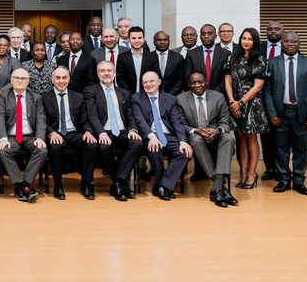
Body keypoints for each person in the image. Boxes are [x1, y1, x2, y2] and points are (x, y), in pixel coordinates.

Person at [265, 32, 307, 196]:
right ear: (281, 43)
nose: (290, 43)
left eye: (293, 41)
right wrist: (272, 113)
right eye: (286, 41)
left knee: (301, 148)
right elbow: (267, 91)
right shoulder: (271, 63)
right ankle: (283, 179)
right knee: (280, 148)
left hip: (302, 113)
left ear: (299, 43)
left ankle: (298, 180)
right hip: (280, 113)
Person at [83, 60, 144, 202]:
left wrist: (133, 130)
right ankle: (121, 184)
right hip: (104, 131)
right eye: (103, 71)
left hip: (123, 132)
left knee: (137, 144)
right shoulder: (91, 91)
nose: (106, 73)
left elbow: (130, 115)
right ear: (98, 74)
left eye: (109, 70)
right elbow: (92, 115)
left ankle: (118, 182)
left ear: (114, 73)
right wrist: (101, 133)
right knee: (104, 147)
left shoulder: (124, 92)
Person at [176, 72, 239, 207]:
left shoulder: (218, 97)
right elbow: (181, 125)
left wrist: (217, 131)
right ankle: (221, 188)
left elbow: (225, 123)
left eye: (200, 82)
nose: (197, 85)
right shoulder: (181, 99)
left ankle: (216, 188)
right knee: (196, 140)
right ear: (189, 84)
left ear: (206, 82)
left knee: (228, 138)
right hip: (196, 136)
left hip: (215, 135)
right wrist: (196, 131)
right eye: (194, 83)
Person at [130, 71, 193, 201]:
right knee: (154, 149)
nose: (148, 84)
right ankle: (164, 186)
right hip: (149, 136)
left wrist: (182, 140)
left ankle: (161, 185)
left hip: (168, 135)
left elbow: (177, 121)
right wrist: (151, 136)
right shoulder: (136, 99)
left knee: (185, 152)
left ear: (159, 82)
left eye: (151, 81)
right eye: (145, 82)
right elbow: (140, 121)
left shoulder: (170, 99)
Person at [41, 66, 98, 200]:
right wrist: (52, 133)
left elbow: (84, 120)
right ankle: (58, 186)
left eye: (64, 77)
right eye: (58, 78)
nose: (61, 81)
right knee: (55, 146)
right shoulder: (44, 97)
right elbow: (42, 121)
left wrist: (88, 131)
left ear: (69, 79)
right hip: (56, 133)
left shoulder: (78, 97)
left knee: (92, 144)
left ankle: (86, 184)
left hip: (74, 133)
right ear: (52, 80)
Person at [224, 27, 269, 189]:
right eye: (244, 38)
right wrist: (231, 102)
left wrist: (240, 103)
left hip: (252, 105)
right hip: (234, 104)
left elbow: (258, 87)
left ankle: (251, 174)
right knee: (239, 138)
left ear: (255, 41)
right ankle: (243, 174)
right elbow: (228, 82)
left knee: (251, 138)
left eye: (250, 39)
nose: (246, 42)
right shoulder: (232, 59)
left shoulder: (260, 60)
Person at [0, 68, 47, 202]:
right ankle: (23, 185)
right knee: (2, 151)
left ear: (28, 82)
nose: (19, 80)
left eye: (23, 78)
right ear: (11, 80)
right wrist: (3, 138)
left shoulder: (36, 97)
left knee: (42, 150)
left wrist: (40, 137)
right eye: (16, 78)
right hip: (11, 137)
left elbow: (41, 119)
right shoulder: (4, 96)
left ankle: (22, 185)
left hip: (30, 136)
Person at [259, 20, 286, 182]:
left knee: (282, 136)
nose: (273, 31)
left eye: (277, 29)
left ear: (283, 31)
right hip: (262, 97)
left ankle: (282, 168)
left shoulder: (289, 46)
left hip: (284, 97)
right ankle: (270, 168)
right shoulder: (259, 48)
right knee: (266, 136)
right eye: (270, 29)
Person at [183, 24, 230, 96]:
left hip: (218, 95)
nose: (206, 36)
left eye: (209, 33)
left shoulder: (225, 53)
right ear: (200, 37)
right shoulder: (191, 54)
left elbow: (227, 76)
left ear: (215, 36)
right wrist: (198, 91)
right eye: (203, 34)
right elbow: (187, 76)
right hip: (196, 95)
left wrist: (214, 93)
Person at [146, 30, 186, 95]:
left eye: (165, 40)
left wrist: (170, 95)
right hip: (152, 95)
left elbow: (181, 80)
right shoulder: (147, 57)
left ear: (169, 41)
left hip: (174, 96)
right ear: (154, 42)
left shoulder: (178, 58)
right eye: (159, 40)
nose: (162, 42)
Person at [116, 26, 149, 95]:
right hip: (128, 96)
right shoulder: (122, 57)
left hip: (147, 95)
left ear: (143, 40)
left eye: (139, 38)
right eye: (134, 38)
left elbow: (155, 77)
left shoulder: (152, 57)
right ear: (129, 40)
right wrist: (131, 95)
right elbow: (120, 79)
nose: (137, 41)